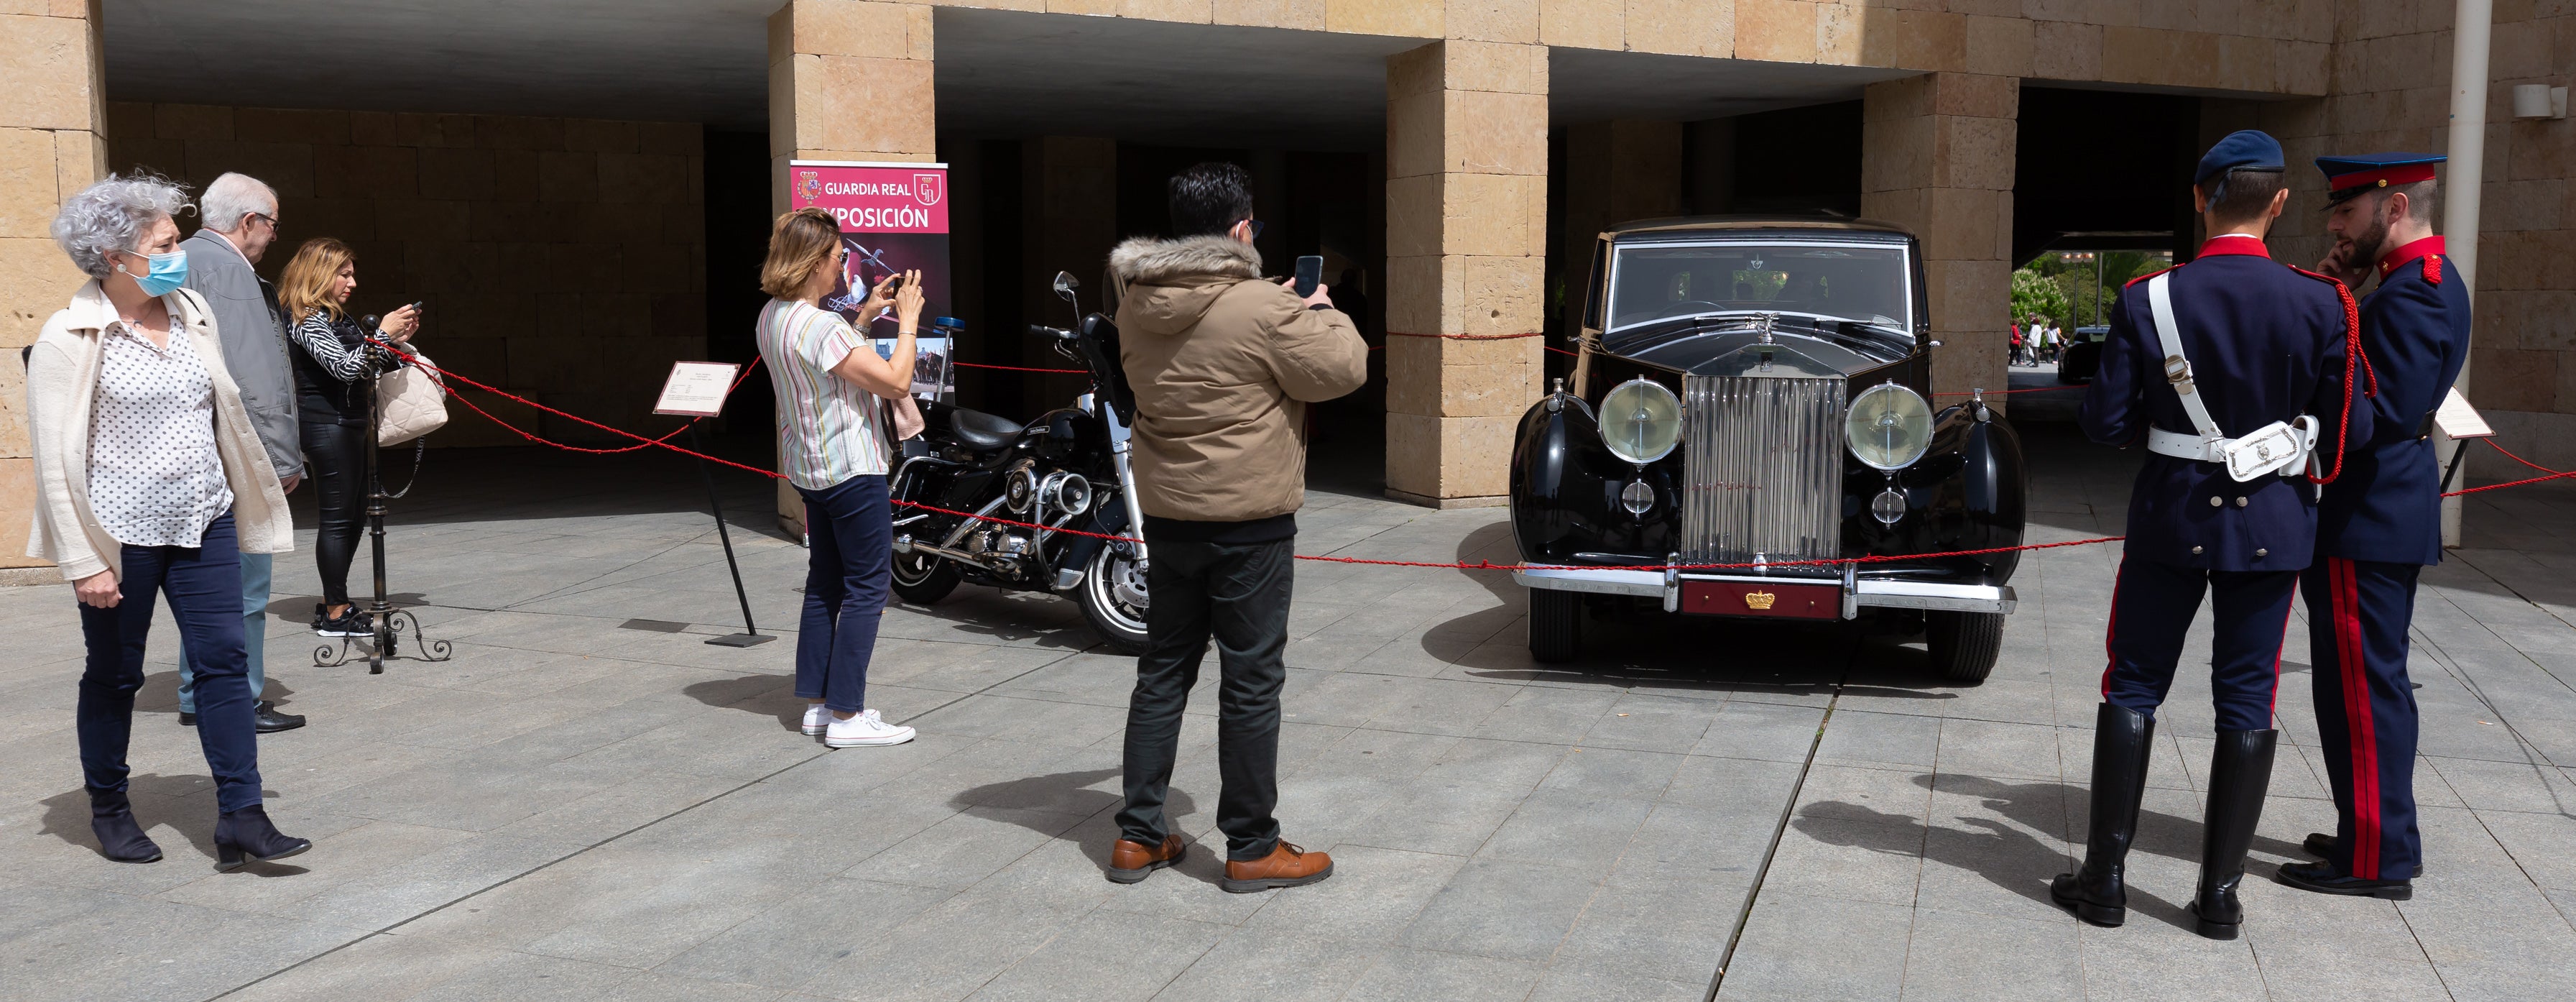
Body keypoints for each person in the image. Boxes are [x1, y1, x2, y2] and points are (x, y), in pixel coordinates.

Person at [2058, 130, 2367, 940]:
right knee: (2247, 696)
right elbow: (2345, 436)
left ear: (2200, 199)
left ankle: (2105, 881)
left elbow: (2103, 422)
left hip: (2172, 515)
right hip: (2272, 522)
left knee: (2132, 685)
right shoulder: (2323, 301)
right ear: (2279, 203)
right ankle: (2220, 898)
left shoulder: (2148, 297)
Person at [29, 174, 310, 868]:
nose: (178, 252)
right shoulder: (70, 335)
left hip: (204, 519)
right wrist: (81, 561)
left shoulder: (190, 312)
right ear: (115, 256)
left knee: (223, 662)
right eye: (166, 242)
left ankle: (243, 815)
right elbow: (53, 460)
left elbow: (223, 412)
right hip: (119, 535)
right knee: (115, 674)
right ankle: (110, 809)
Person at [1105, 162, 1367, 893]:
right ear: (1242, 229)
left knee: (1162, 673)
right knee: (1250, 683)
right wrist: (1317, 306)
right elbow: (1342, 369)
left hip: (1169, 518)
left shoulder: (1135, 303)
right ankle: (1252, 845)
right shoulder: (1262, 306)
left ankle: (1139, 834)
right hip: (1250, 525)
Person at [2276, 153, 2471, 902]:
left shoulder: (2414, 298)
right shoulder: (2409, 286)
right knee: (2358, 682)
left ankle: (2379, 855)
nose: (2334, 224)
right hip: (2376, 511)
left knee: (2364, 688)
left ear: (2394, 208)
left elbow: (2368, 419)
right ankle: (2372, 830)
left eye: (2347, 212)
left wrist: (2328, 306)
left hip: (2372, 514)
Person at [755, 208, 926, 749]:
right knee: (867, 587)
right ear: (812, 263)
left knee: (825, 582)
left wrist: (867, 315)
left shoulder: (773, 317)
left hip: (810, 467)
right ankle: (848, 717)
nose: (842, 266)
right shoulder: (822, 326)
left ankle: (819, 706)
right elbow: (896, 381)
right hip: (851, 469)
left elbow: (825, 362)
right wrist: (909, 321)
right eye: (836, 257)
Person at [175, 173, 307, 734]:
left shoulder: (175, 257)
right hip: (233, 452)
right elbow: (256, 376)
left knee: (208, 583)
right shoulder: (231, 272)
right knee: (245, 584)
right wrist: (280, 462)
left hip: (189, 449)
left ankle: (194, 693)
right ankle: (237, 699)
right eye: (273, 224)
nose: (275, 236)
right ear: (249, 221)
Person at [278, 239, 417, 639]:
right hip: (327, 424)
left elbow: (372, 364)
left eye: (352, 273)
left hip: (351, 422)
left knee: (358, 514)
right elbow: (344, 368)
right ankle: (335, 611)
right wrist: (383, 336)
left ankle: (334, 600)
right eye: (344, 273)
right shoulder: (305, 318)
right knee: (339, 519)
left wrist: (398, 339)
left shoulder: (335, 316)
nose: (352, 282)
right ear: (319, 275)